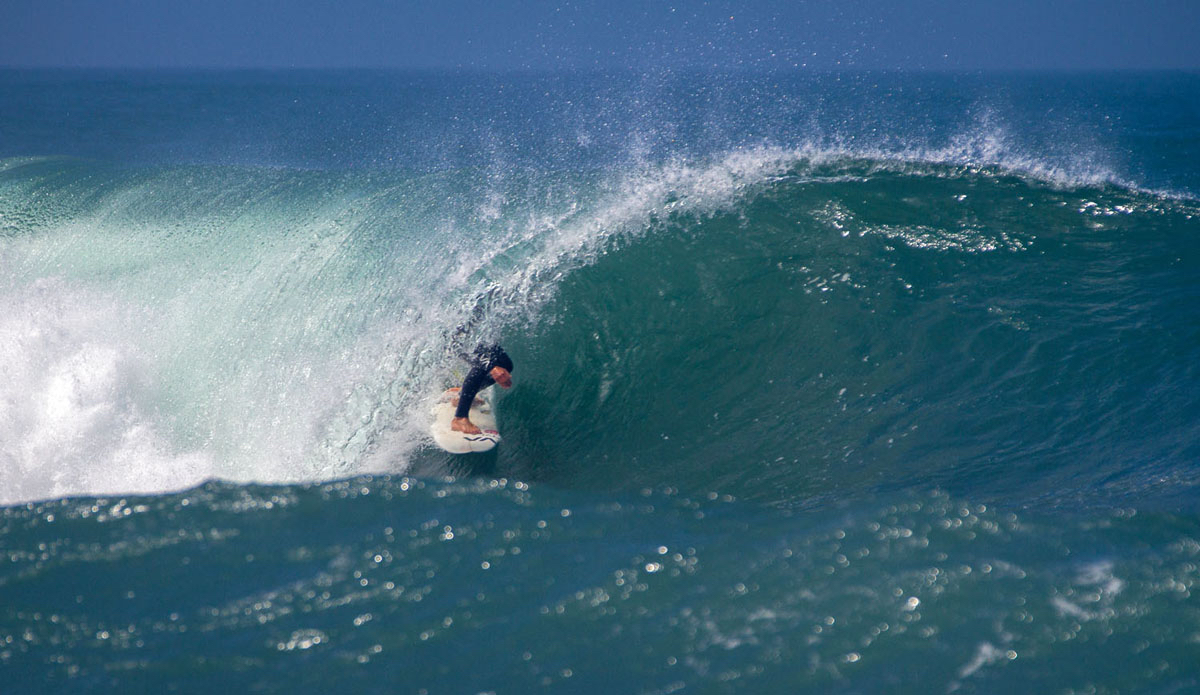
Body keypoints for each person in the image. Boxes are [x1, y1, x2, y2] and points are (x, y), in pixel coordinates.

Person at [450, 344, 514, 435]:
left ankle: (463, 397)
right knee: (483, 367)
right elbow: (465, 340)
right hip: (457, 339)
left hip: (479, 336)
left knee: (506, 365)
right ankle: (460, 418)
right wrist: (492, 367)